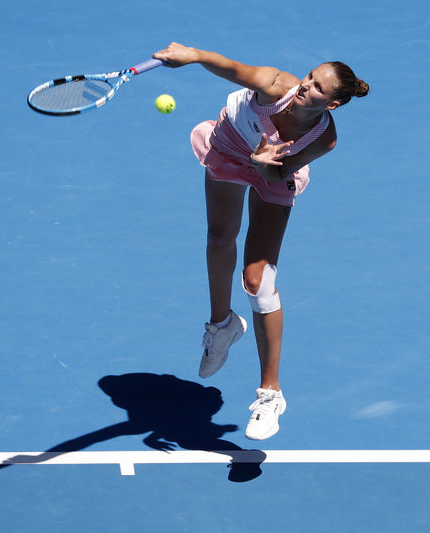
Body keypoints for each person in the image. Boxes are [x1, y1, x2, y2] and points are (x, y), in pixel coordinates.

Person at [152, 43, 369, 440]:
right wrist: (193, 54)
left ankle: (271, 395)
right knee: (219, 238)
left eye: (317, 88)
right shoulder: (273, 85)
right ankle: (222, 326)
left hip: (267, 168)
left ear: (332, 105)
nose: (305, 86)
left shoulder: (323, 138)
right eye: (309, 76)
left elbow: (276, 177)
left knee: (259, 280)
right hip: (230, 144)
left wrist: (262, 163)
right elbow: (232, 67)